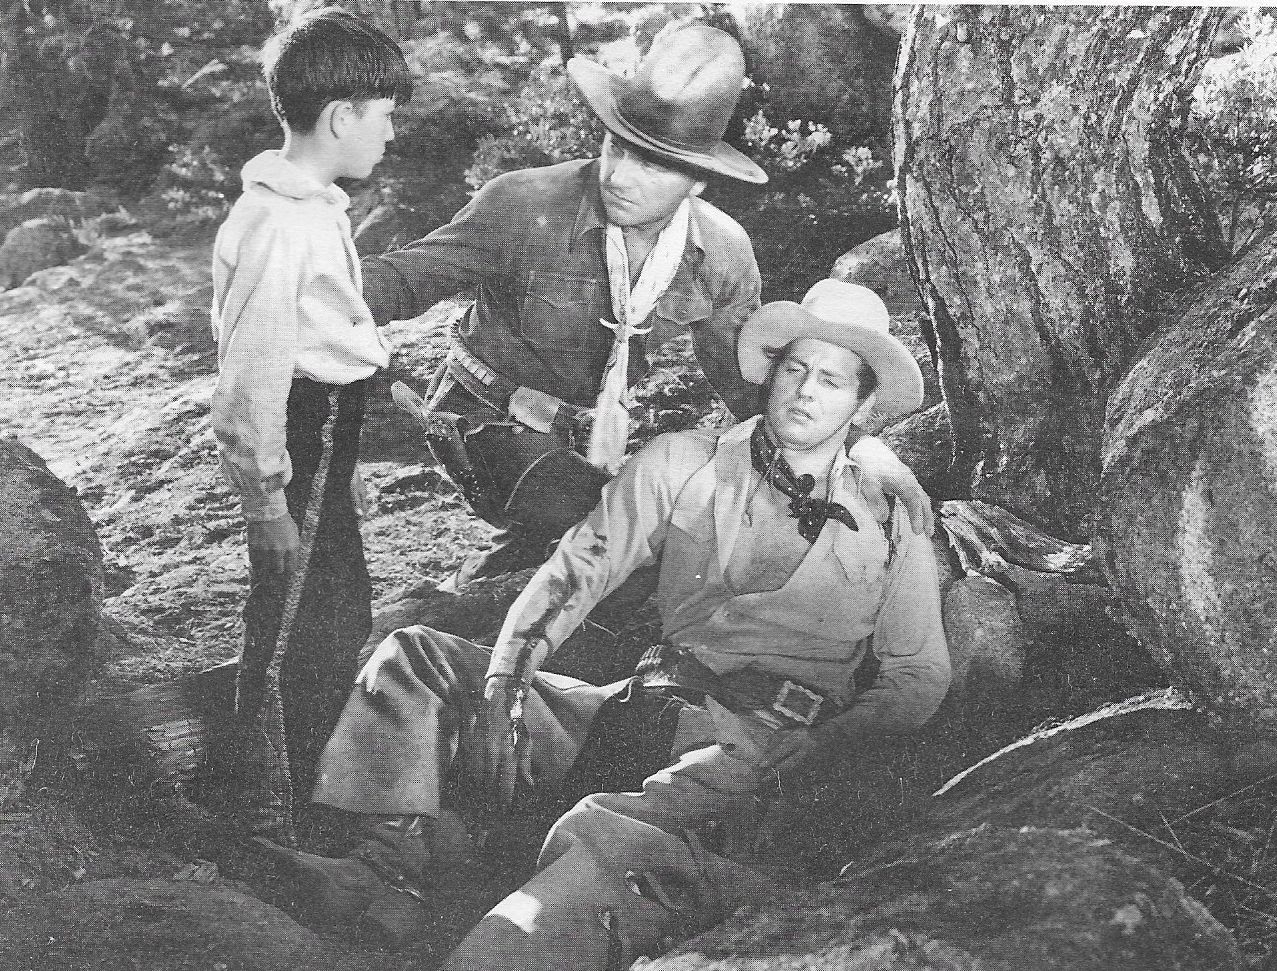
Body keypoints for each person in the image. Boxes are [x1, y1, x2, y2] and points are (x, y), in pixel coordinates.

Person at [260, 279, 951, 966]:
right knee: (417, 658)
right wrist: (507, 677)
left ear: (861, 404)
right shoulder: (685, 462)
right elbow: (578, 567)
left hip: (754, 747)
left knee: (579, 860)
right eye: (794, 370)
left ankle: (487, 941)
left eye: (830, 381)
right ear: (769, 377)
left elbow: (916, 675)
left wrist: (830, 741)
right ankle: (387, 877)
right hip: (633, 704)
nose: (804, 391)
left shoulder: (894, 519)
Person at [359, 22, 932, 585]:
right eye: (616, 147)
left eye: (653, 163)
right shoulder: (525, 202)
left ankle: (495, 582)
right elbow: (399, 282)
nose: (619, 177)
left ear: (699, 180)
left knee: (622, 533)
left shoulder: (721, 255)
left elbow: (746, 388)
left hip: (589, 437)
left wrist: (859, 455)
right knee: (622, 530)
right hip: (482, 417)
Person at [209, 8, 411, 842]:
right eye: (385, 115)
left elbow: (332, 326)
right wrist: (266, 500)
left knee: (340, 607)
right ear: (339, 117)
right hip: (301, 428)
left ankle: (303, 796)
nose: (392, 134)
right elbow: (250, 374)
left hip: (328, 426)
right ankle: (268, 817)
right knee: (299, 620)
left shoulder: (310, 205)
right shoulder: (279, 222)